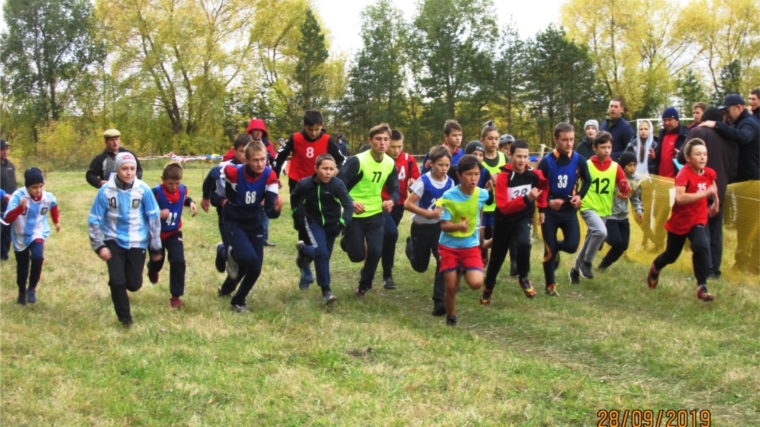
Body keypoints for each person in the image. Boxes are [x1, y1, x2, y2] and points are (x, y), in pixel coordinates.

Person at [273, 110, 346, 289]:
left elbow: (342, 160)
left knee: (319, 223)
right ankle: (305, 267)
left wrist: (336, 172)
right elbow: (279, 157)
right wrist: (274, 178)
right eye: (310, 129)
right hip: (299, 185)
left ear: (322, 127)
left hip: (320, 187)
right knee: (302, 223)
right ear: (304, 126)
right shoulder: (295, 138)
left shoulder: (327, 140)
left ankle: (306, 254)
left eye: (317, 129)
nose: (314, 133)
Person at [88, 152, 162, 326]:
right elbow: (94, 219)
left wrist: (156, 246)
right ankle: (125, 319)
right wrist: (99, 245)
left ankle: (120, 278)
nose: (129, 173)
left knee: (134, 284)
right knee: (117, 281)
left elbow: (154, 216)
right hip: (113, 239)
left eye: (132, 169)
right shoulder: (105, 191)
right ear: (117, 169)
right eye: (125, 169)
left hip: (138, 240)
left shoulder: (143, 189)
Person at [647, 138, 718, 302]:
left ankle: (702, 287)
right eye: (698, 154)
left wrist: (715, 203)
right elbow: (679, 198)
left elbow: (713, 187)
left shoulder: (708, 173)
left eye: (705, 154)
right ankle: (656, 267)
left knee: (701, 246)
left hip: (698, 219)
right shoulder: (683, 174)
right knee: (671, 256)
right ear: (688, 158)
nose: (702, 157)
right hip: (680, 222)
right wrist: (704, 194)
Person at [481, 140, 548, 304]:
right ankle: (488, 287)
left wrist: (542, 207)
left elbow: (544, 185)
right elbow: (503, 207)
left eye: (525, 157)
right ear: (510, 155)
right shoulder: (503, 177)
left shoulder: (533, 173)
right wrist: (527, 198)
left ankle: (523, 277)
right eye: (518, 156)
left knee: (525, 244)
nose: (522, 160)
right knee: (497, 257)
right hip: (504, 220)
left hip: (523, 217)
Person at [337, 123, 399, 297]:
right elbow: (338, 185)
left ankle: (364, 285)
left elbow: (395, 188)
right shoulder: (357, 161)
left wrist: (392, 201)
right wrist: (351, 202)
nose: (382, 143)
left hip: (376, 213)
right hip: (355, 214)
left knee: (375, 252)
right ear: (370, 140)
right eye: (378, 139)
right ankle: (347, 240)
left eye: (386, 139)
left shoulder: (389, 163)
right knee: (356, 256)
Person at [700, 94, 760, 273]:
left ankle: (754, 265)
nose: (726, 114)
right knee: (743, 225)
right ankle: (742, 262)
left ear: (739, 107)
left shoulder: (749, 123)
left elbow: (743, 137)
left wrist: (717, 124)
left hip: (752, 183)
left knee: (752, 227)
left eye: (728, 110)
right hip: (743, 183)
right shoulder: (741, 122)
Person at [222, 141, 283, 312]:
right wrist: (209, 197)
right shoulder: (234, 172)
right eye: (255, 160)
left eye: (263, 159)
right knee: (248, 258)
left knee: (255, 268)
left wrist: (277, 210)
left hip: (254, 222)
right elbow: (214, 175)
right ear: (246, 160)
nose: (260, 163)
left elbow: (270, 211)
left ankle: (238, 301)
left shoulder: (270, 176)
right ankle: (231, 253)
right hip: (234, 220)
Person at [536, 122, 591, 296]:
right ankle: (550, 285)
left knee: (572, 245)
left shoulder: (579, 160)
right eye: (564, 140)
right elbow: (537, 188)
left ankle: (556, 248)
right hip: (550, 212)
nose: (569, 143)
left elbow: (587, 180)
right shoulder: (546, 163)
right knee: (549, 250)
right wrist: (548, 202)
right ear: (555, 140)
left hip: (568, 211)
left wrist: (579, 196)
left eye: (571, 139)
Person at [436, 155, 491, 326]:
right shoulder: (448, 196)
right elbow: (443, 226)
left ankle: (461, 268)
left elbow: (480, 210)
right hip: (449, 246)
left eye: (476, 174)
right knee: (451, 286)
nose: (473, 178)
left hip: (470, 246)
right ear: (459, 175)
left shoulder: (482, 194)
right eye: (469, 174)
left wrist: (479, 233)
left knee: (476, 283)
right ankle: (451, 316)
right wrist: (458, 226)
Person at [683, 107, 738, 278]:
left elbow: (682, 157)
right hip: (719, 189)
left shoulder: (698, 132)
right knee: (715, 232)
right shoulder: (730, 140)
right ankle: (714, 270)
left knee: (701, 231)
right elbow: (733, 170)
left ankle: (704, 270)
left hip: (698, 189)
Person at [291, 153, 353, 304]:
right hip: (312, 222)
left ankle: (303, 251)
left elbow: (349, 205)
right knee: (322, 254)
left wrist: (342, 223)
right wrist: (296, 215)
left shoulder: (337, 185)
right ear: (316, 168)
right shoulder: (305, 184)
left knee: (324, 256)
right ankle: (326, 291)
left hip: (332, 225)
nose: (328, 172)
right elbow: (294, 197)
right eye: (325, 168)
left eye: (331, 169)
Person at [569, 131, 630, 284]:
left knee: (590, 238)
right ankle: (587, 263)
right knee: (601, 232)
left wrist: (624, 186)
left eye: (609, 147)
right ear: (594, 148)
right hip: (587, 205)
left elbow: (625, 187)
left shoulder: (615, 166)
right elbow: (575, 182)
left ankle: (575, 270)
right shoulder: (586, 164)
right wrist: (575, 196)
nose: (607, 150)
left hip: (604, 209)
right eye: (603, 147)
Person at [404, 146, 454, 316]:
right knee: (420, 266)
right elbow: (407, 204)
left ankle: (439, 301)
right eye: (440, 165)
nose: (444, 169)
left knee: (443, 259)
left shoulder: (450, 182)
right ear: (431, 164)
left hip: (439, 228)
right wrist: (428, 213)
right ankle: (410, 247)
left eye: (447, 165)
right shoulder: (423, 181)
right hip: (421, 227)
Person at [201, 134, 250, 296]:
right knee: (235, 255)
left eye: (248, 151)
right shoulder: (224, 168)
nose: (245, 155)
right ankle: (223, 251)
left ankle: (226, 289)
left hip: (248, 218)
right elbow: (211, 188)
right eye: (242, 151)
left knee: (245, 258)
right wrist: (218, 201)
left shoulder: (257, 167)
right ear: (234, 151)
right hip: (227, 217)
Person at [3, 168, 61, 305]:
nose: (38, 190)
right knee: (22, 267)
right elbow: (7, 218)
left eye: (41, 186)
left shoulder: (47, 197)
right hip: (20, 235)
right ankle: (22, 291)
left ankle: (32, 288)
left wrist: (56, 221)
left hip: (37, 232)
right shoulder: (18, 196)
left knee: (38, 257)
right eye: (34, 187)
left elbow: (53, 206)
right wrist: (20, 208)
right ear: (27, 186)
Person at [146, 163, 198, 308]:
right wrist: (158, 214)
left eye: (177, 183)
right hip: (156, 235)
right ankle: (152, 268)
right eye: (170, 183)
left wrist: (191, 203)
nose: (174, 187)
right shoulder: (155, 193)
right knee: (158, 262)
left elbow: (184, 198)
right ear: (163, 179)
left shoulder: (182, 189)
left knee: (178, 261)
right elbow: (144, 210)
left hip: (174, 232)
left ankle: (176, 296)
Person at [379, 130, 420, 289]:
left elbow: (417, 183)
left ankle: (377, 270)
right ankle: (386, 274)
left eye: (399, 147)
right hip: (381, 203)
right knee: (390, 233)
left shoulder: (409, 160)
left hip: (398, 205)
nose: (396, 150)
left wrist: (412, 184)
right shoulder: (380, 158)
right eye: (393, 147)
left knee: (386, 237)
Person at [598, 152, 643, 270]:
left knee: (623, 245)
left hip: (623, 216)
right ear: (622, 166)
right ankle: (600, 236)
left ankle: (602, 266)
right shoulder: (614, 177)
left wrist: (639, 210)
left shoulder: (636, 180)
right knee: (616, 241)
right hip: (610, 215)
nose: (632, 168)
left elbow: (635, 197)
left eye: (634, 165)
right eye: (629, 165)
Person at [480, 121, 507, 268]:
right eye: (490, 138)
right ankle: (482, 251)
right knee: (480, 237)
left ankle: (489, 255)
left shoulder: (504, 158)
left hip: (499, 206)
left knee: (497, 237)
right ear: (482, 140)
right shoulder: (478, 158)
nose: (494, 141)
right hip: (482, 207)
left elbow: (511, 177)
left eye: (496, 138)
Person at [653, 107, 689, 178]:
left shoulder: (685, 135)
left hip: (677, 179)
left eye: (669, 120)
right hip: (661, 179)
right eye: (664, 120)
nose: (667, 123)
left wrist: (681, 156)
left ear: (676, 120)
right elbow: (660, 156)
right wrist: (654, 156)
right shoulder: (662, 134)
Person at [1, 139, 17, 261]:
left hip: (10, 205)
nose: (5, 152)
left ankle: (4, 254)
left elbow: (13, 184)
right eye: (2, 149)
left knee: (8, 230)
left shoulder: (10, 165)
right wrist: (3, 195)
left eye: (6, 149)